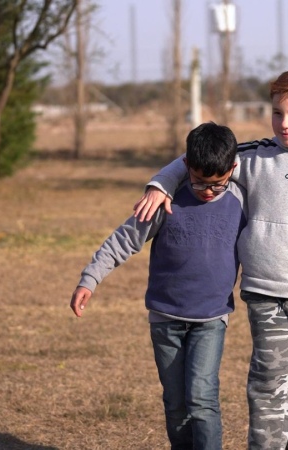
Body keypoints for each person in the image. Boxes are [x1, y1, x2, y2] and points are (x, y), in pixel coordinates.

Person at [134, 66, 288, 450]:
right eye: (278, 113)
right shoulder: (254, 157)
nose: (285, 123)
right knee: (267, 392)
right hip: (265, 295)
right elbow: (198, 159)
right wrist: (161, 185)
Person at [70, 122, 246, 450]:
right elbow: (125, 239)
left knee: (202, 399)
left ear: (232, 170)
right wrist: (90, 279)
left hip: (211, 319)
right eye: (199, 182)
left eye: (217, 184)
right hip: (165, 319)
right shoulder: (164, 201)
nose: (208, 191)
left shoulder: (241, 201)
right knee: (176, 404)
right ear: (186, 168)